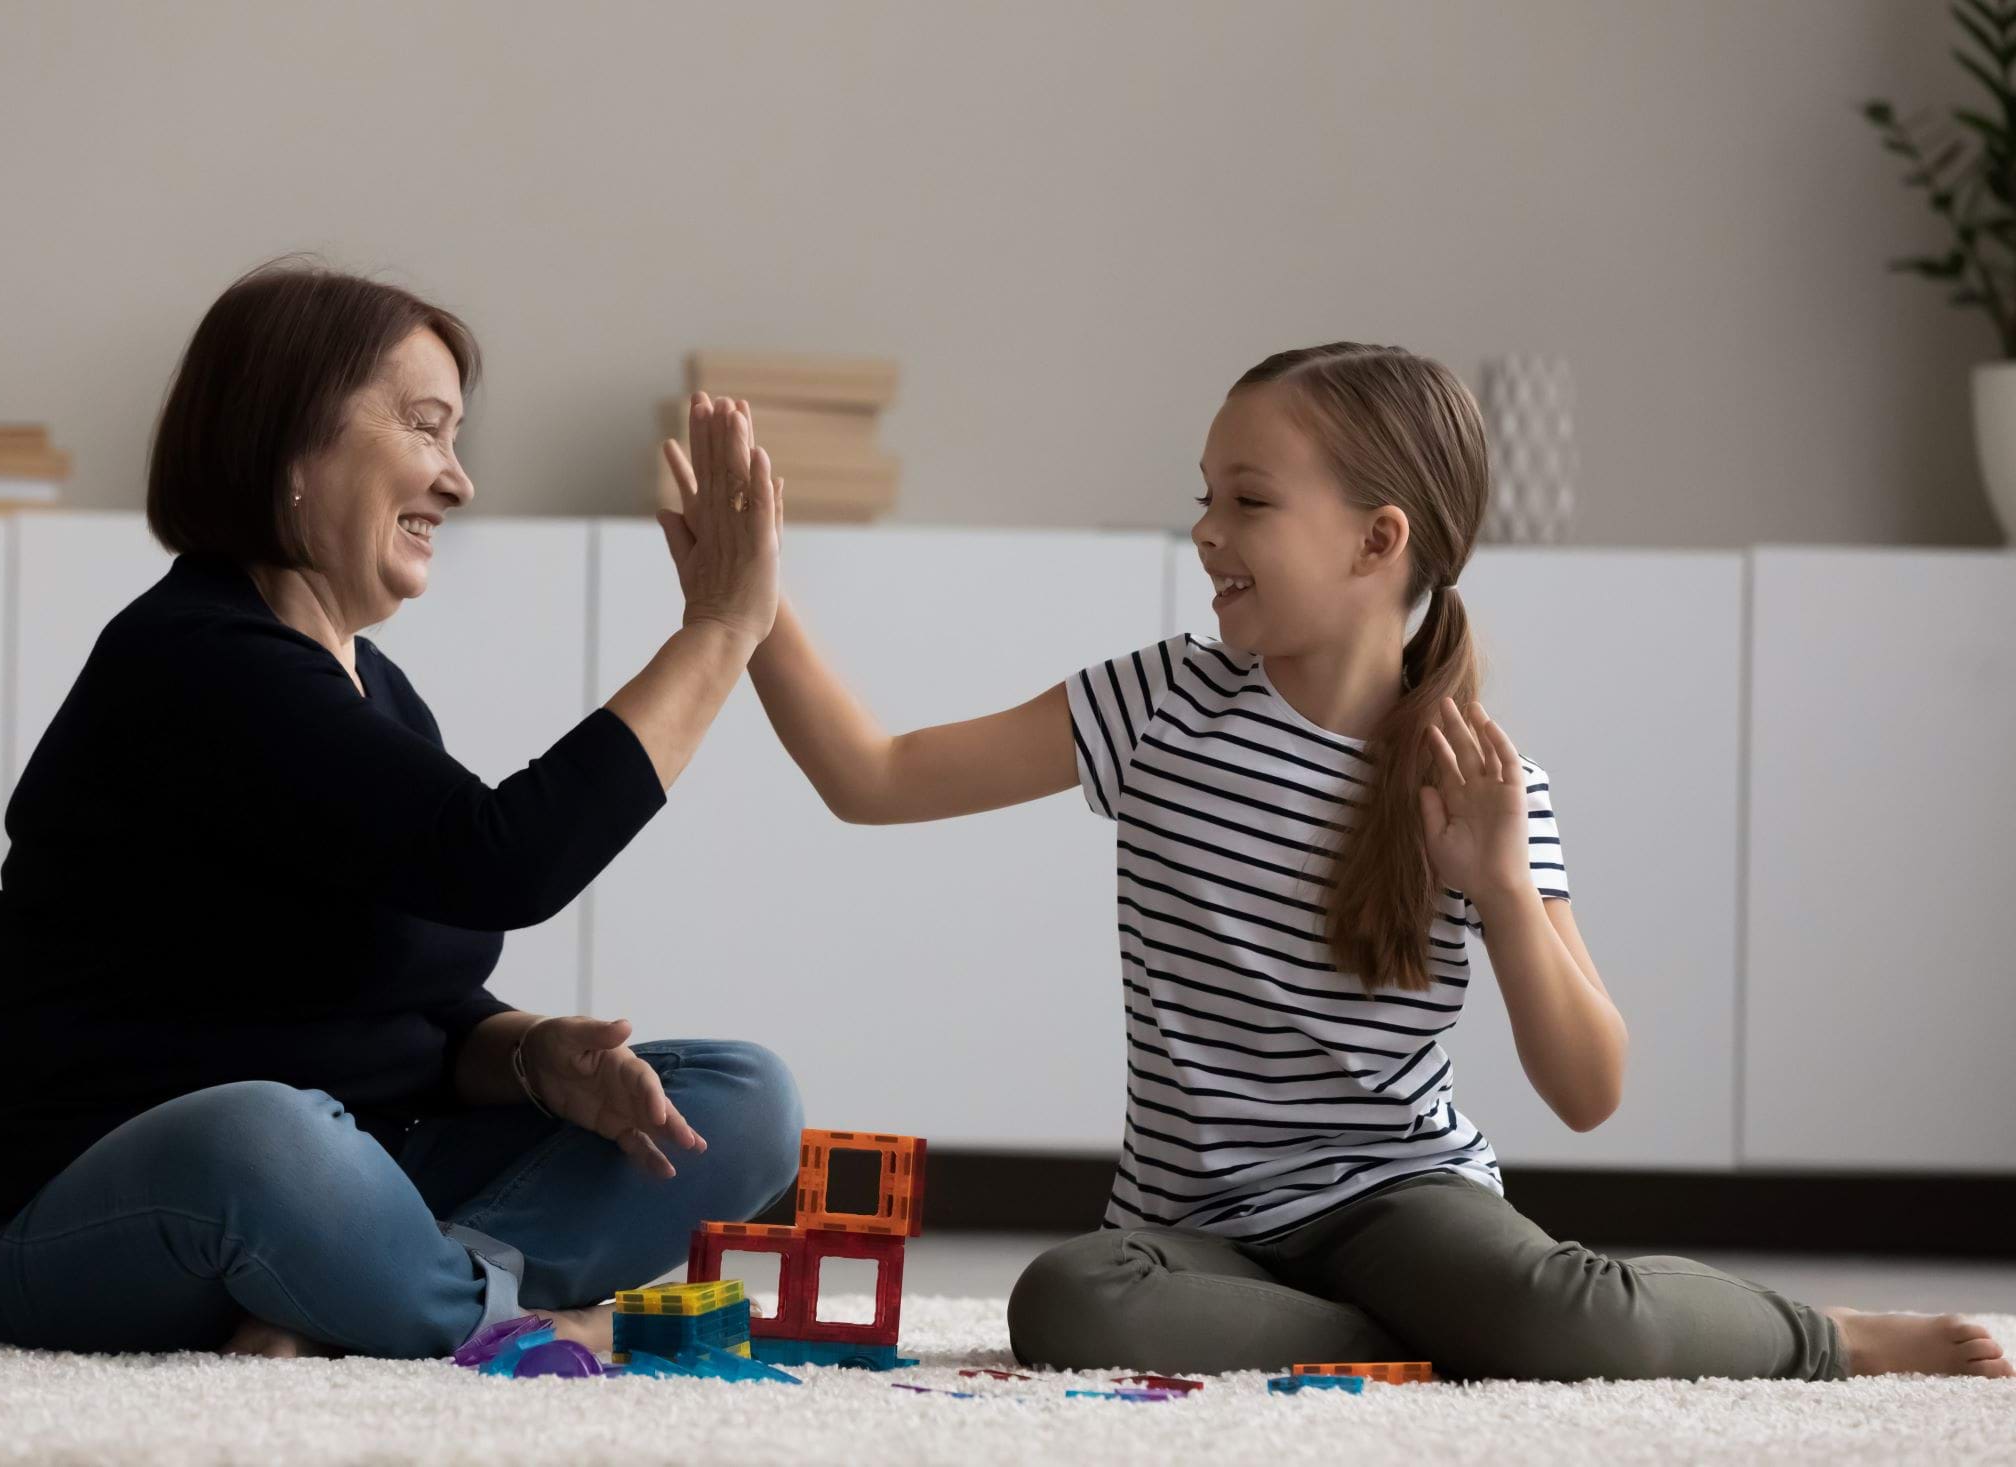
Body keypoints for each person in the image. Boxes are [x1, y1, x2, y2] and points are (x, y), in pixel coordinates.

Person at [666, 343, 2012, 1383]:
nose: (1207, 531)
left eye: (1249, 502)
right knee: (1067, 1301)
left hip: (1399, 1196)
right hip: (1192, 1228)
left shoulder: (1482, 778)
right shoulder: (1159, 704)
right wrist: (748, 605)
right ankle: (1440, 1334)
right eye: (1208, 496)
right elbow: (874, 776)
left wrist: (1495, 882)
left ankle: (1827, 1335)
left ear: (1380, 542)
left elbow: (1590, 1084)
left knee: (1561, 1308)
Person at [0, 260, 799, 1360]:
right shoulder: (193, 663)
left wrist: (531, 1054)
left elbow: (404, 997)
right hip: (53, 1225)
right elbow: (505, 864)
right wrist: (718, 631)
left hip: (346, 1180)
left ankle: (380, 1302)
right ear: (291, 446)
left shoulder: (371, 688)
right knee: (265, 1131)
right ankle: (508, 1323)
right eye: (427, 430)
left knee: (739, 1097)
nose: (459, 481)